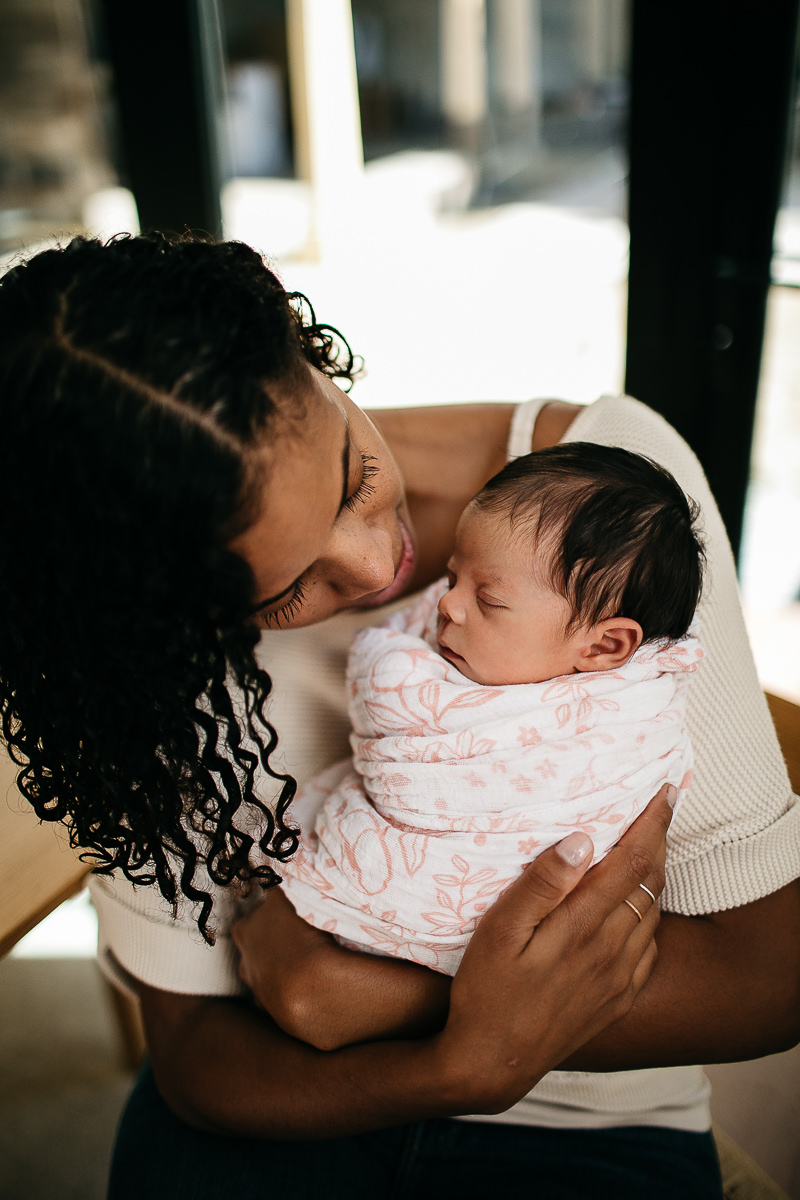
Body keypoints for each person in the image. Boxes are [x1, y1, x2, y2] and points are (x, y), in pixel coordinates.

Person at [0, 233, 796, 1200]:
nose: (384, 570)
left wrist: (391, 1006)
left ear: (304, 349)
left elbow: (766, 976)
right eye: (287, 590)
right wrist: (451, 1071)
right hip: (284, 1094)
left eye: (352, 478)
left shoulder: (609, 506)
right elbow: (197, 1060)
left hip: (591, 1118)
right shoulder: (139, 680)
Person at [279, 444, 705, 979]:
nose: (447, 603)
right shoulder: (466, 627)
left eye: (490, 600)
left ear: (604, 648)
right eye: (455, 576)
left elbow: (394, 695)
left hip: (533, 958)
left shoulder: (634, 712)